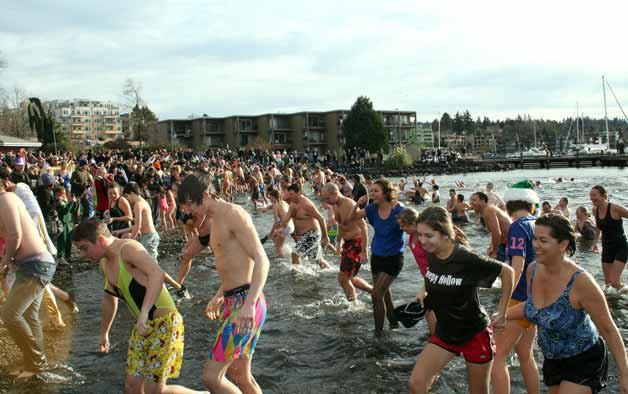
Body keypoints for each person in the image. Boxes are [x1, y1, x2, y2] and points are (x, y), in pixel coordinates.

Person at [71, 219, 205, 394]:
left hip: (166, 323)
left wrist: (144, 312)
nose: (82, 254)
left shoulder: (128, 249)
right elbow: (109, 298)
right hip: (143, 327)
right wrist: (104, 333)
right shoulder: (104, 264)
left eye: (84, 248)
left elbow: (157, 273)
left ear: (101, 240)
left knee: (154, 390)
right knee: (132, 387)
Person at [509, 214, 628, 394]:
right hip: (552, 359)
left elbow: (609, 330)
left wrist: (625, 373)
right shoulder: (532, 270)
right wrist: (500, 316)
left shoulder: (581, 282)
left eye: (543, 240)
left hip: (584, 358)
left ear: (563, 245)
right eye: (534, 238)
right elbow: (533, 307)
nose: (535, 245)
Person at [177, 173, 269, 394]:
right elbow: (235, 265)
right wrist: (220, 294)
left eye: (190, 203)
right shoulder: (213, 222)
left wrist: (248, 304)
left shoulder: (234, 214)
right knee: (240, 376)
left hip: (247, 303)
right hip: (233, 301)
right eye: (184, 205)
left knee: (212, 377)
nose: (188, 211)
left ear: (206, 195)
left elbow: (261, 259)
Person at [408, 206, 514, 394]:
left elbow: (508, 272)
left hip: (475, 335)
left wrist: (503, 312)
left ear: (445, 235)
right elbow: (433, 273)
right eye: (420, 235)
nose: (422, 241)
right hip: (446, 333)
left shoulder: (465, 258)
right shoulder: (432, 253)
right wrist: (424, 290)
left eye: (428, 236)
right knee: (417, 384)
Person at [0, 178, 57, 378]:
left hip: (36, 264)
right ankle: (36, 365)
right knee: (28, 316)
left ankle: (38, 364)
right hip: (32, 265)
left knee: (10, 315)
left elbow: (16, 235)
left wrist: (4, 263)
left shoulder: (5, 198)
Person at [492, 182, 540, 394]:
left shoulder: (518, 227)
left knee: (498, 356)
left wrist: (504, 305)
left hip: (519, 299)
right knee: (525, 354)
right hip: (535, 299)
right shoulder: (537, 223)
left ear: (510, 204)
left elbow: (516, 267)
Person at [349, 178, 404, 334]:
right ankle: (393, 323)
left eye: (376, 191)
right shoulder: (372, 208)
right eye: (371, 190)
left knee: (376, 294)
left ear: (386, 193)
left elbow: (416, 224)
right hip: (377, 257)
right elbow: (351, 218)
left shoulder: (399, 210)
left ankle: (378, 334)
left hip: (394, 258)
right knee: (383, 293)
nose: (372, 193)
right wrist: (357, 204)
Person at [321, 183, 372, 302]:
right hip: (348, 244)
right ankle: (376, 292)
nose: (326, 202)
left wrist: (364, 251)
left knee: (343, 278)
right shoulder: (335, 205)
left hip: (356, 243)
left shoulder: (349, 204)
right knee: (350, 278)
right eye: (324, 199)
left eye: (328, 198)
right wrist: (339, 243)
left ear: (335, 193)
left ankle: (353, 305)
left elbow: (364, 227)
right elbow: (342, 225)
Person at [397, 207, 436, 334]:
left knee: (430, 310)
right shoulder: (410, 238)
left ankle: (436, 341)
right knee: (430, 310)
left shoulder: (422, 239)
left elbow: (436, 265)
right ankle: (436, 339)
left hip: (435, 277)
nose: (401, 229)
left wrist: (425, 288)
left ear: (413, 223)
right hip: (428, 278)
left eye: (404, 226)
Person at [590, 185, 628, 294]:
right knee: (608, 284)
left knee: (615, 282)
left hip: (620, 247)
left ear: (603, 196)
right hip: (606, 248)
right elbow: (598, 227)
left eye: (594, 195)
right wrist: (595, 243)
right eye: (590, 196)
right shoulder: (594, 210)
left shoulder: (615, 208)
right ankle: (612, 305)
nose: (592, 198)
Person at [283, 183, 331, 268]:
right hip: (304, 235)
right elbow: (286, 220)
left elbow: (321, 219)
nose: (290, 196)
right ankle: (331, 272)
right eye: (289, 194)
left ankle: (297, 276)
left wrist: (325, 237)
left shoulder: (306, 204)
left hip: (312, 234)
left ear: (298, 193)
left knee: (294, 254)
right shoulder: (292, 204)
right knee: (318, 259)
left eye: (292, 194)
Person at [470, 192, 512, 261]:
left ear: (483, 201)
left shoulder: (489, 210)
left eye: (474, 200)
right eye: (471, 200)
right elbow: (495, 232)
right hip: (504, 244)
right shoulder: (487, 210)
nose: (471, 203)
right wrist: (491, 246)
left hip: (508, 246)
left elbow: (497, 232)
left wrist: (495, 252)